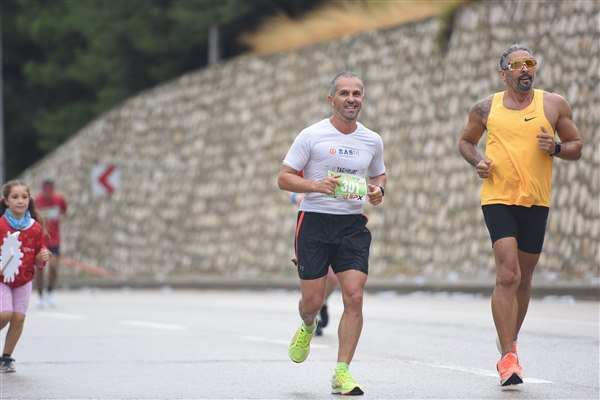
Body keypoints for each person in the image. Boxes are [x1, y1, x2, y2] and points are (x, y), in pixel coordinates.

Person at [458, 44, 582, 386]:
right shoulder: (486, 108)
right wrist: (478, 162)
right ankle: (508, 357)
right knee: (507, 275)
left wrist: (556, 148)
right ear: (504, 74)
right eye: (517, 65)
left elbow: (576, 146)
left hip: (537, 201)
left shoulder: (554, 104)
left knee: (524, 279)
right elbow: (466, 142)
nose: (526, 69)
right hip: (498, 198)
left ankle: (509, 339)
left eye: (530, 63)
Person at [278, 71, 386, 396]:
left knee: (354, 296)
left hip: (351, 225)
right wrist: (316, 185)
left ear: (362, 99)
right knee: (312, 302)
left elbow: (379, 176)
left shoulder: (372, 140)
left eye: (356, 94)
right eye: (344, 93)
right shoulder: (312, 135)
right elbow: (284, 178)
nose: (351, 99)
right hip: (314, 222)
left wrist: (379, 191)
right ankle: (308, 324)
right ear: (332, 100)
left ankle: (342, 372)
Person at [0, 180, 50, 373]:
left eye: (24, 197)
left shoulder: (35, 227)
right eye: (15, 197)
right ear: (6, 200)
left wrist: (41, 258)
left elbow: (39, 255)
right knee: (5, 314)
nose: (20, 201)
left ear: (29, 199)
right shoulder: (1, 224)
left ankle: (6, 358)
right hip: (2, 279)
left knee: (19, 319)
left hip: (24, 280)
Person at [287, 190, 339, 336]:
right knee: (314, 290)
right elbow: (285, 182)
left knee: (333, 278)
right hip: (311, 223)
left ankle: (321, 303)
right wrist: (294, 196)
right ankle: (313, 312)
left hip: (338, 221)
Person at [34, 179, 67, 307]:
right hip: (41, 239)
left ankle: (50, 291)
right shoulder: (37, 200)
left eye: (50, 192)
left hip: (55, 240)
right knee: (40, 268)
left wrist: (61, 217)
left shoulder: (59, 199)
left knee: (53, 266)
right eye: (46, 192)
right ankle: (40, 295)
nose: (48, 194)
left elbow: (64, 211)